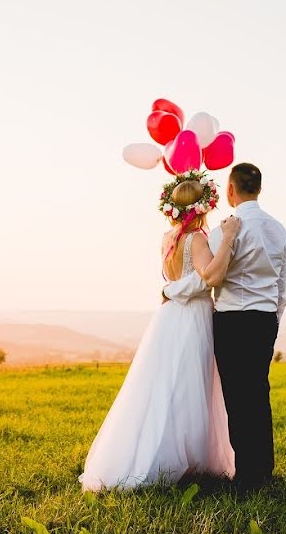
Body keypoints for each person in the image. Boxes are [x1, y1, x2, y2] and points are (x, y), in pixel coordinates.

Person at [78, 170, 238, 492]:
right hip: (193, 316)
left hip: (169, 318)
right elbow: (206, 278)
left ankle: (173, 452)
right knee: (190, 385)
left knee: (166, 384)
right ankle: (180, 458)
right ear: (202, 207)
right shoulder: (197, 239)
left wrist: (170, 292)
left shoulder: (169, 238)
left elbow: (172, 281)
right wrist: (227, 246)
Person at [163, 163, 286, 491]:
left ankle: (246, 476)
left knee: (236, 397)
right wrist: (273, 321)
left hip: (231, 320)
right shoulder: (279, 231)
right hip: (263, 320)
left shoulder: (221, 232)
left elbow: (212, 279)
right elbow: (281, 288)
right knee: (259, 393)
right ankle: (264, 470)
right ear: (259, 188)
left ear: (231, 190)